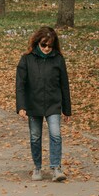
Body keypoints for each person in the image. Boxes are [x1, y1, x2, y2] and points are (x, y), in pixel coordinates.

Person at [16, 26, 72, 182]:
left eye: (50, 45)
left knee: (56, 134)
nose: (47, 48)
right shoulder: (27, 59)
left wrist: (67, 109)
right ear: (37, 43)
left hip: (53, 103)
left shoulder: (58, 59)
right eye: (44, 45)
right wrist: (21, 106)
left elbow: (64, 85)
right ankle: (37, 167)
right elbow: (20, 84)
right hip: (33, 104)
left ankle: (56, 167)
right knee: (35, 136)